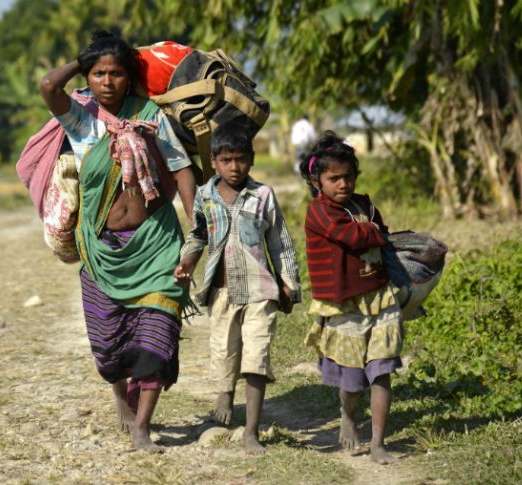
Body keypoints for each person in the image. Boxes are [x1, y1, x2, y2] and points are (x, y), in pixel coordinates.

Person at [38, 29, 197, 452]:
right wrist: (83, 56)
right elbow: (49, 86)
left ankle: (143, 427)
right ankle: (118, 394)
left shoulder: (150, 114)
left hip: (157, 241)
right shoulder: (81, 118)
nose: (107, 82)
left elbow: (181, 168)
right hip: (103, 249)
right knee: (109, 348)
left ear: (131, 77)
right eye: (98, 73)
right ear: (88, 77)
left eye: (117, 73)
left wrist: (197, 227)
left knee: (158, 336)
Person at [173, 126, 301, 454]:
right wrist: (188, 260)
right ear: (213, 162)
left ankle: (252, 432)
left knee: (257, 357)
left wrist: (289, 283)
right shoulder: (205, 195)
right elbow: (199, 234)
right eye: (226, 160)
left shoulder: (263, 196)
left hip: (260, 290)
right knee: (225, 351)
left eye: (241, 160)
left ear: (252, 160)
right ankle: (226, 394)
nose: (234, 167)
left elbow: (280, 242)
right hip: (222, 292)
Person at [298, 130, 403, 464]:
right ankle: (347, 415)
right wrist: (373, 233)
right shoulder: (318, 212)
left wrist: (375, 233)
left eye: (348, 177)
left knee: (381, 370)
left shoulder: (365, 204)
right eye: (334, 178)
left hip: (380, 297)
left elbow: (382, 235)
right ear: (317, 182)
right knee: (353, 379)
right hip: (345, 303)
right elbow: (352, 236)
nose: (342, 184)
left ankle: (377, 443)